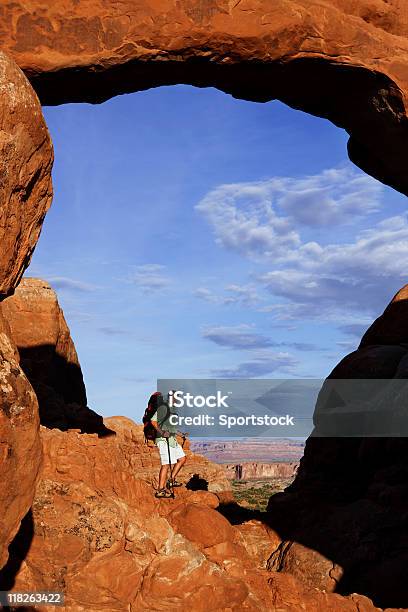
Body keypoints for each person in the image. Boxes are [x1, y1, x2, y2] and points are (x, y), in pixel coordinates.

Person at [152, 392, 186, 499]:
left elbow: (173, 428)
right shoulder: (163, 408)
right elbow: (153, 422)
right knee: (166, 464)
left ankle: (170, 480)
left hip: (172, 439)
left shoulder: (173, 410)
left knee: (182, 458)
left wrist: (182, 434)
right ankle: (160, 490)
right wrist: (162, 432)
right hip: (163, 440)